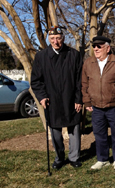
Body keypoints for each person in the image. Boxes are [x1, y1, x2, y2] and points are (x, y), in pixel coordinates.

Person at [31, 26, 83, 169]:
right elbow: (36, 81)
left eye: (58, 38)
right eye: (52, 38)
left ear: (63, 38)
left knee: (74, 129)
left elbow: (80, 80)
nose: (56, 41)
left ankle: (74, 157)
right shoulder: (41, 57)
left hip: (71, 98)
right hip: (51, 100)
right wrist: (41, 97)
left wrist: (79, 99)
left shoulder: (74, 54)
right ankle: (59, 158)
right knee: (55, 130)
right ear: (49, 39)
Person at [81, 36, 115, 170]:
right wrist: (87, 101)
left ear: (107, 48)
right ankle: (102, 159)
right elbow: (84, 84)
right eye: (94, 46)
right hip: (96, 107)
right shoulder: (88, 63)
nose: (96, 49)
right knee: (99, 134)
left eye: (99, 46)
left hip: (114, 105)